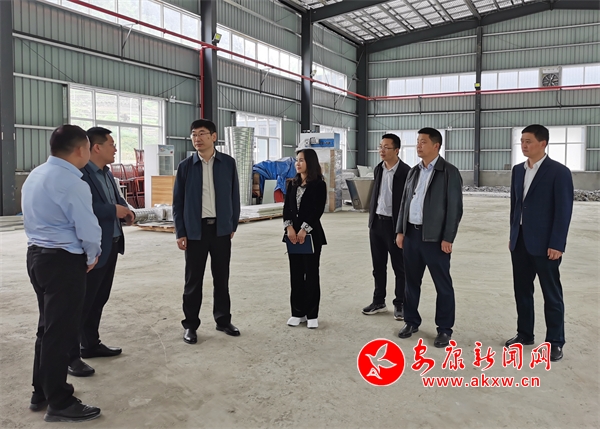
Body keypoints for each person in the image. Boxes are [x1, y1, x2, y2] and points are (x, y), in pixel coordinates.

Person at [22, 125, 102, 422]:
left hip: (37, 257)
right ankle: (59, 400)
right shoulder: (72, 183)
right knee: (61, 332)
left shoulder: (36, 174)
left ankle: (41, 391)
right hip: (63, 263)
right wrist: (93, 255)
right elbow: (88, 228)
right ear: (80, 149)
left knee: (47, 328)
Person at [67, 127, 135, 377]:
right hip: (92, 248)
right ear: (96, 147)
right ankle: (71, 357)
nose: (115, 149)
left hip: (112, 244)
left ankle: (90, 344)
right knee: (82, 303)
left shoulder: (107, 173)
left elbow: (117, 199)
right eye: (111, 144)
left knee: (98, 298)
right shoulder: (80, 175)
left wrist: (127, 210)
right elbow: (84, 208)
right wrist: (113, 211)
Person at [506, 124, 573, 362]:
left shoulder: (559, 172)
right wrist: (513, 234)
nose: (524, 145)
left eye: (529, 141)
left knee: (551, 294)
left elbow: (563, 211)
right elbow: (516, 205)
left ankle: (555, 341)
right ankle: (525, 334)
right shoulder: (518, 170)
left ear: (543, 144)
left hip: (546, 246)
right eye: (522, 141)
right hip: (520, 242)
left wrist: (557, 243)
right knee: (522, 291)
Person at [173, 119, 241, 344]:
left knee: (221, 278)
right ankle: (190, 325)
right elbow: (178, 202)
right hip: (195, 231)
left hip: (220, 230)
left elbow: (234, 196)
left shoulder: (228, 163)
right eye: (194, 134)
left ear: (213, 137)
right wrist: (180, 232)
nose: (197, 138)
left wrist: (231, 224)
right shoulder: (185, 166)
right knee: (193, 281)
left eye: (202, 133)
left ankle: (223, 320)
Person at [395, 127, 463, 348]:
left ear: (436, 146)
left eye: (423, 142)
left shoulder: (449, 172)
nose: (418, 145)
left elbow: (454, 208)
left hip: (435, 239)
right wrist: (400, 230)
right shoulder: (414, 172)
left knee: (443, 285)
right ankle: (411, 321)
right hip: (412, 235)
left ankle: (444, 329)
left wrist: (448, 238)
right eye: (417, 142)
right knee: (411, 282)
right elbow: (405, 202)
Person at [362, 134, 410, 320]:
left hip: (394, 225)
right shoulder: (378, 169)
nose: (382, 150)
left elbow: (408, 203)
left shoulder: (406, 172)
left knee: (400, 267)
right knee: (378, 266)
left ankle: (400, 303)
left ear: (397, 150)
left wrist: (402, 229)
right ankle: (378, 301)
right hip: (377, 224)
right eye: (380, 147)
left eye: (386, 147)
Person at [283, 148, 327, 329]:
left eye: (301, 160)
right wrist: (289, 228)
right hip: (292, 236)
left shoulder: (319, 185)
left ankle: (312, 314)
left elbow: (317, 210)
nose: (298, 163)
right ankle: (297, 313)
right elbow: (286, 208)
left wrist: (304, 229)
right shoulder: (292, 184)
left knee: (311, 274)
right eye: (297, 160)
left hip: (311, 236)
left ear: (310, 162)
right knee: (296, 274)